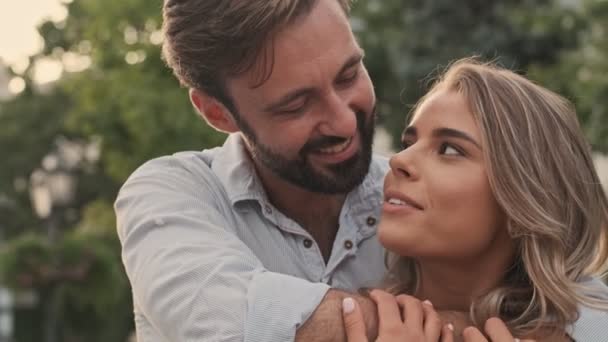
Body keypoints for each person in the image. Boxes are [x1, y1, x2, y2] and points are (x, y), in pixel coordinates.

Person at [115, 0, 388, 341]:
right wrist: (449, 320)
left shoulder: (421, 194)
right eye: (297, 105)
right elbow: (240, 326)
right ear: (218, 114)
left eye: (348, 76)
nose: (345, 122)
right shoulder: (169, 196)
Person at [341, 58, 608, 341]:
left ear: (524, 199)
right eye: (409, 143)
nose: (398, 160)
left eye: (450, 150)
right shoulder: (340, 317)